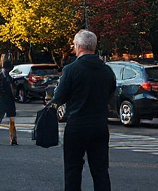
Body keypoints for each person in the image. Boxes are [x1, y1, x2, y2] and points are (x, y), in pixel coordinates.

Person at [49, 30, 116, 191]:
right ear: (94, 46)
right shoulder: (107, 70)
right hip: (99, 125)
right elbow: (111, 93)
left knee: (73, 170)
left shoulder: (71, 69)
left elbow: (60, 97)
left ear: (78, 46)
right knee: (100, 171)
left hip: (77, 124)